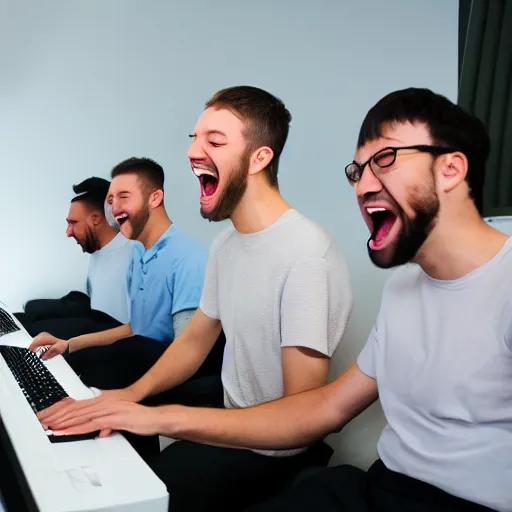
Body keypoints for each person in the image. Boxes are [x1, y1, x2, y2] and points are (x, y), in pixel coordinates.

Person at [40, 88, 512, 512]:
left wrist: (162, 416)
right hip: (378, 483)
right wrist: (136, 402)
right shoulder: (404, 288)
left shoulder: (308, 255)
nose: (363, 184)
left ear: (451, 168)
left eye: (385, 159)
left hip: (287, 453)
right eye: (358, 170)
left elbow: (307, 411)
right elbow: (326, 404)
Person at [37, 86, 354, 512]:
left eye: (215, 141)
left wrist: (162, 418)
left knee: (139, 491)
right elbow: (193, 341)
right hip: (228, 412)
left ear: (259, 158)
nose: (193, 151)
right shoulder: (227, 244)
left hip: (273, 453)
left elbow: (300, 416)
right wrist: (131, 393)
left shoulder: (306, 256)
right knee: (101, 439)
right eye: (195, 139)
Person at [29, 157, 211, 392]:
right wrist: (68, 345)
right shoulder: (138, 252)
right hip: (142, 357)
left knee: (92, 369)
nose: (114, 208)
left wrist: (126, 398)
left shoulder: (188, 257)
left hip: (170, 376)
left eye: (123, 197)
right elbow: (135, 328)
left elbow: (186, 352)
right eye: (111, 200)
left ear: (154, 198)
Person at [17, 177, 135, 339]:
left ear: (95, 219)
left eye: (73, 223)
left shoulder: (135, 256)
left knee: (30, 332)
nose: (68, 232)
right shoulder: (99, 252)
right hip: (94, 318)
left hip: (118, 337)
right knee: (29, 311)